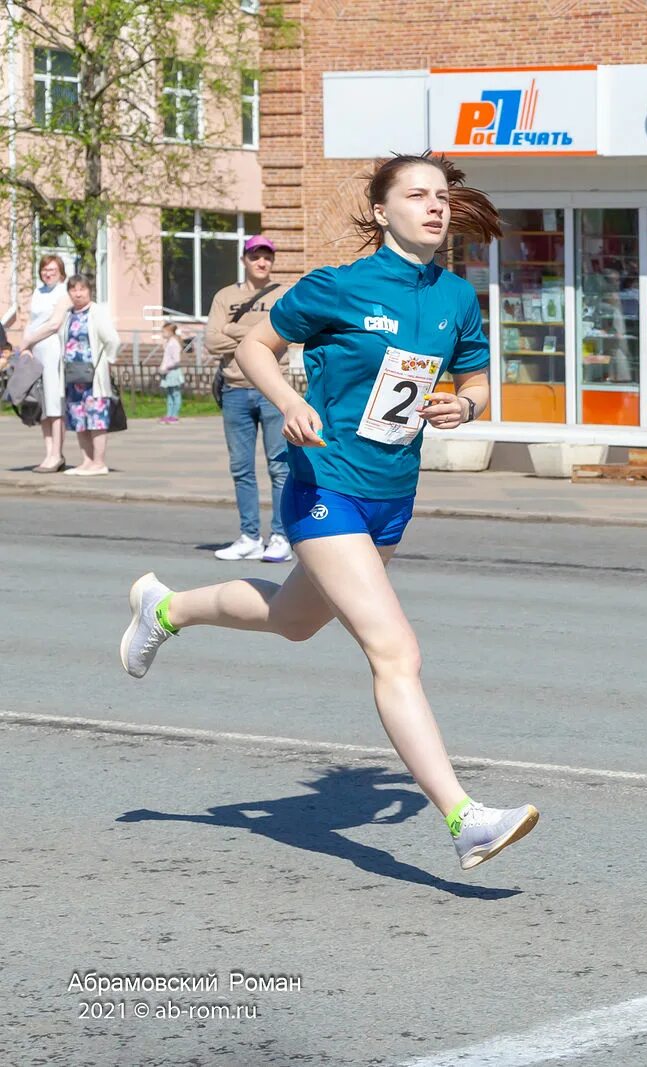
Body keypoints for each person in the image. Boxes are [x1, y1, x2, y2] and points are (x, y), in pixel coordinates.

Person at [118, 152, 538, 872]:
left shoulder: (453, 297)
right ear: (382, 211)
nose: (435, 207)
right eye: (417, 195)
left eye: (441, 196)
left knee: (294, 620)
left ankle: (164, 608)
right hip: (325, 484)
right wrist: (289, 401)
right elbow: (253, 344)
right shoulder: (337, 288)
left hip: (391, 494)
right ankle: (465, 817)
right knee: (396, 650)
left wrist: (464, 403)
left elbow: (476, 375)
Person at [206, 235, 291, 562]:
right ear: (244, 259)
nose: (262, 262)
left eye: (267, 256)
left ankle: (281, 537)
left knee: (280, 467)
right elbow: (212, 341)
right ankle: (250, 536)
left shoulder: (282, 294)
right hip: (235, 390)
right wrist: (259, 337)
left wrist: (233, 331)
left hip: (272, 390)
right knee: (241, 467)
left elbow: (288, 336)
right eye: (256, 256)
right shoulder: (226, 296)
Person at [12, 256, 71, 472]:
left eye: (53, 269)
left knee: (55, 404)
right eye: (45, 269)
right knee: (42, 404)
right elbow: (31, 321)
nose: (48, 273)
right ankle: (48, 453)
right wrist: (25, 346)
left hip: (53, 349)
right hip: (36, 350)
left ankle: (57, 453)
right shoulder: (38, 292)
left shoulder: (64, 292)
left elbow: (54, 324)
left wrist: (30, 340)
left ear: (61, 271)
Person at [58, 275, 121, 475]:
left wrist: (108, 361)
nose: (78, 293)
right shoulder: (68, 314)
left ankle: (99, 462)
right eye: (73, 290)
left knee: (96, 418)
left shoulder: (97, 312)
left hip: (93, 376)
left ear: (89, 291)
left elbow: (112, 339)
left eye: (82, 289)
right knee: (78, 418)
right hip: (72, 376)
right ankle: (86, 461)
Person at [158, 323, 185, 424]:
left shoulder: (174, 343)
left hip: (173, 372)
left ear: (170, 332)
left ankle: (175, 415)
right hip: (168, 372)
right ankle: (169, 414)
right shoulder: (169, 342)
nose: (162, 334)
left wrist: (167, 368)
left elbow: (176, 360)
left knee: (175, 394)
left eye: (164, 331)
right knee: (169, 394)